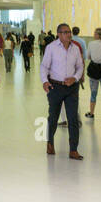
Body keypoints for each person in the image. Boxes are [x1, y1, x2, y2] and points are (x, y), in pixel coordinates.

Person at [40, 23, 84, 159]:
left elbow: (80, 66)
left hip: (71, 88)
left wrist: (75, 78)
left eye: (69, 32)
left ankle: (73, 150)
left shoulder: (75, 49)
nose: (68, 34)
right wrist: (45, 81)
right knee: (53, 117)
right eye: (65, 32)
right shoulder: (51, 48)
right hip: (55, 87)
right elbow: (44, 66)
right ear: (59, 34)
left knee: (73, 119)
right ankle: (50, 143)